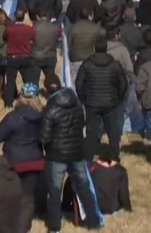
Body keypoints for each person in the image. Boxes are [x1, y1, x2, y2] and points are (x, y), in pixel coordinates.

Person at [40, 76, 100, 231]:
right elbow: (82, 124)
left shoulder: (50, 109)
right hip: (77, 153)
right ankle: (93, 221)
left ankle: (54, 226)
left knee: (54, 192)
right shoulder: (77, 105)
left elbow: (44, 137)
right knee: (84, 187)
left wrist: (49, 146)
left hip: (56, 156)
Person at [0, 91, 45, 232]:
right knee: (28, 195)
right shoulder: (42, 117)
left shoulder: (13, 117)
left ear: (21, 98)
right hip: (35, 161)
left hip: (14, 162)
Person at [76, 38, 129, 163]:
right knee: (113, 132)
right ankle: (114, 156)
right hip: (110, 103)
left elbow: (79, 83)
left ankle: (88, 158)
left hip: (92, 103)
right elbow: (123, 84)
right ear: (106, 48)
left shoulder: (87, 64)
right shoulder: (115, 65)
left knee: (91, 132)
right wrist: (118, 98)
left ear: (94, 48)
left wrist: (84, 98)